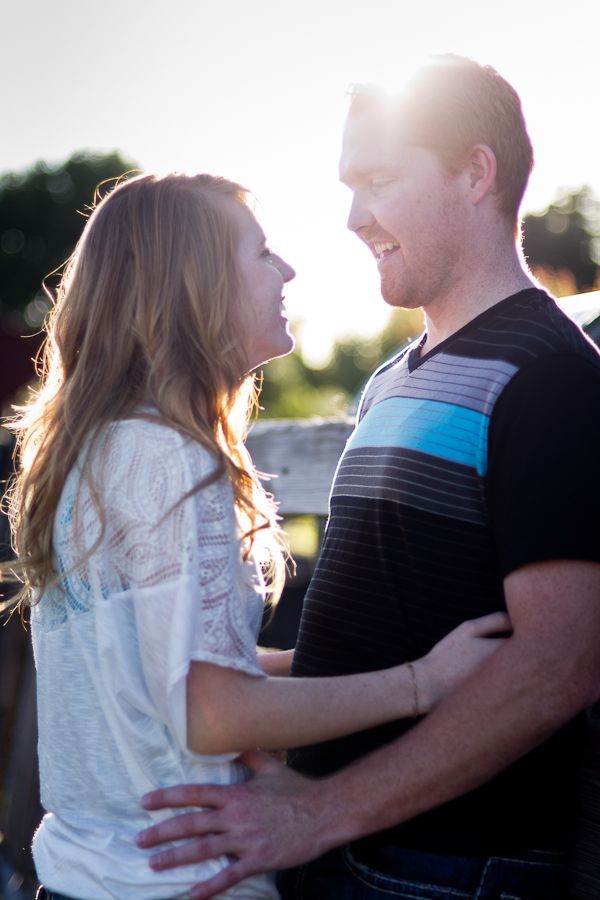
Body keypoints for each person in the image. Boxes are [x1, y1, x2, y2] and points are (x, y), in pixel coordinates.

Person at [136, 56, 600, 899]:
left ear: (475, 173)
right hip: (339, 849)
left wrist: (323, 811)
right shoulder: (392, 378)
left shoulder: (553, 377)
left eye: (379, 180)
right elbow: (375, 631)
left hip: (447, 868)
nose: (354, 217)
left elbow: (562, 662)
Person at [2, 172, 509, 900]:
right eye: (260, 251)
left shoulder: (99, 449)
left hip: (89, 873)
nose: (288, 270)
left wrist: (323, 666)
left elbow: (169, 666)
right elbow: (214, 712)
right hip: (177, 882)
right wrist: (422, 684)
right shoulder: (170, 460)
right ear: (193, 285)